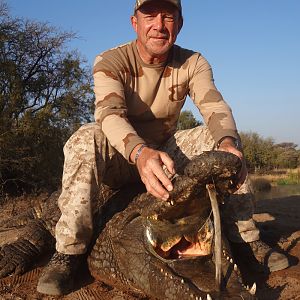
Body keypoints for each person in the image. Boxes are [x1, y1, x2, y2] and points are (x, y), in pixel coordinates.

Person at [37, 0, 289, 295]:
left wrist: (228, 143)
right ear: (135, 23)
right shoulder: (110, 60)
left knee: (223, 146)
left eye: (168, 16)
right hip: (123, 154)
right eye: (150, 16)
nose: (159, 24)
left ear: (179, 24)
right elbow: (109, 114)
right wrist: (140, 154)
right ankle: (69, 253)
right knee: (85, 137)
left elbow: (214, 106)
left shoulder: (193, 62)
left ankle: (245, 239)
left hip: (165, 150)